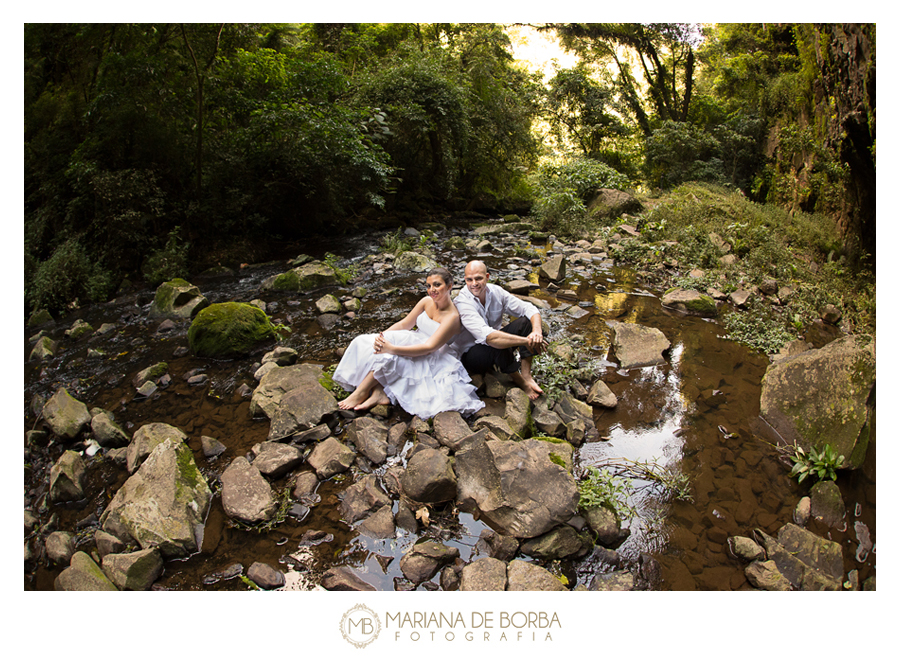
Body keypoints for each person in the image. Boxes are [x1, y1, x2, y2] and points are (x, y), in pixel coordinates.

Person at [331, 267, 484, 419]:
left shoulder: (452, 317)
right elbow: (405, 324)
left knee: (389, 357)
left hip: (433, 355)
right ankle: (379, 393)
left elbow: (429, 348)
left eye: (437, 285)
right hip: (413, 338)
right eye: (428, 286)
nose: (432, 290)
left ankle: (361, 393)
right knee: (362, 341)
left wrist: (391, 348)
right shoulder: (426, 301)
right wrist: (383, 337)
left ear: (449, 286)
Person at [454, 260, 548, 400]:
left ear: (487, 277)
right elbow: (490, 337)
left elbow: (528, 308)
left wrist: (536, 333)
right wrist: (526, 341)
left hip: (493, 341)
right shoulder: (463, 302)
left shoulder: (496, 292)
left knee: (527, 322)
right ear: (465, 279)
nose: (474, 283)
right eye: (469, 279)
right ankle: (520, 381)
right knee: (498, 343)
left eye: (478, 278)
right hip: (471, 355)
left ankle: (526, 375)